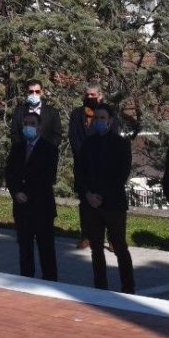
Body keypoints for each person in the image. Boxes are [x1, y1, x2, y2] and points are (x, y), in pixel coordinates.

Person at [75, 103, 135, 293]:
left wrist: (102, 195)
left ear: (110, 121)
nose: (99, 121)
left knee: (119, 246)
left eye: (103, 118)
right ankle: (100, 286)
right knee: (96, 248)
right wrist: (88, 194)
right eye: (96, 118)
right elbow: (81, 172)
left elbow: (121, 174)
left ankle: (128, 287)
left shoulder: (121, 144)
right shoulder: (88, 143)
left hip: (113, 204)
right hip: (91, 204)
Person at [5, 112, 59, 281]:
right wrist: (16, 192)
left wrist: (27, 193)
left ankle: (50, 280)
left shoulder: (49, 149)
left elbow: (48, 177)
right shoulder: (17, 147)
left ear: (39, 126)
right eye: (26, 123)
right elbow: (10, 172)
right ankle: (26, 280)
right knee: (25, 247)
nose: (28, 126)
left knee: (46, 248)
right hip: (22, 207)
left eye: (32, 123)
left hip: (41, 205)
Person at [68, 84, 103, 248]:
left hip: (102, 164)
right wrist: (83, 155)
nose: (90, 97)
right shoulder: (77, 114)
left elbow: (113, 135)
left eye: (94, 94)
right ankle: (86, 235)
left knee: (106, 202)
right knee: (85, 201)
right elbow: (73, 137)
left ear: (100, 96)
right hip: (82, 163)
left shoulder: (106, 114)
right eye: (88, 94)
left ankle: (111, 238)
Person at [8, 79, 62, 149]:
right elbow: (14, 134)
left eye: (37, 91)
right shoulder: (18, 111)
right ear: (27, 93)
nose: (34, 94)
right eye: (31, 92)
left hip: (46, 155)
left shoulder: (52, 112)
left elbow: (57, 135)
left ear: (41, 92)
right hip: (23, 155)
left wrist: (48, 149)